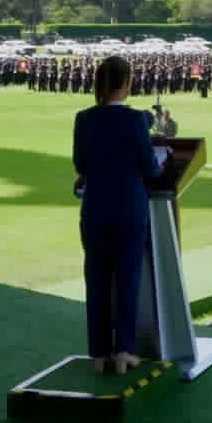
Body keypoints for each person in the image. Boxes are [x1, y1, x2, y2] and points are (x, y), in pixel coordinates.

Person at [73, 55, 162, 376]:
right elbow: (150, 168)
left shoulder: (83, 119)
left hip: (95, 209)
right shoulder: (136, 120)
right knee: (127, 281)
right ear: (126, 83)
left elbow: (81, 165)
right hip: (129, 210)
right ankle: (124, 351)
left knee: (96, 282)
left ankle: (98, 354)